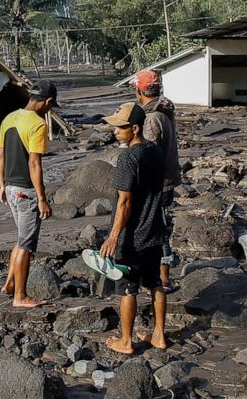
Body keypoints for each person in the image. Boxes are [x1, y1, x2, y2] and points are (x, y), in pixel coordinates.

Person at [99, 102, 169, 353]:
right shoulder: (155, 151)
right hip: (154, 228)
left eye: (121, 127)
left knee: (127, 288)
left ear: (136, 128)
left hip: (133, 234)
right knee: (155, 283)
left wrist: (113, 237)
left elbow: (124, 202)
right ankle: (159, 335)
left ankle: (126, 341)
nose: (115, 131)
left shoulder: (128, 157)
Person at [0, 80, 57, 308]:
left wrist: (2, 185)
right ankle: (20, 297)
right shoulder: (38, 124)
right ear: (47, 102)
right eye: (51, 106)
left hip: (11, 187)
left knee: (22, 238)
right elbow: (34, 164)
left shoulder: (10, 118)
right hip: (26, 191)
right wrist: (42, 199)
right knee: (26, 244)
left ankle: (10, 284)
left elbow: (1, 156)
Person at [133, 69, 181, 292]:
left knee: (156, 229)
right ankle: (160, 275)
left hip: (156, 183)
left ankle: (162, 279)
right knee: (159, 226)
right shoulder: (164, 111)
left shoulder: (151, 118)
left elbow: (148, 154)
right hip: (166, 180)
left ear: (139, 90)